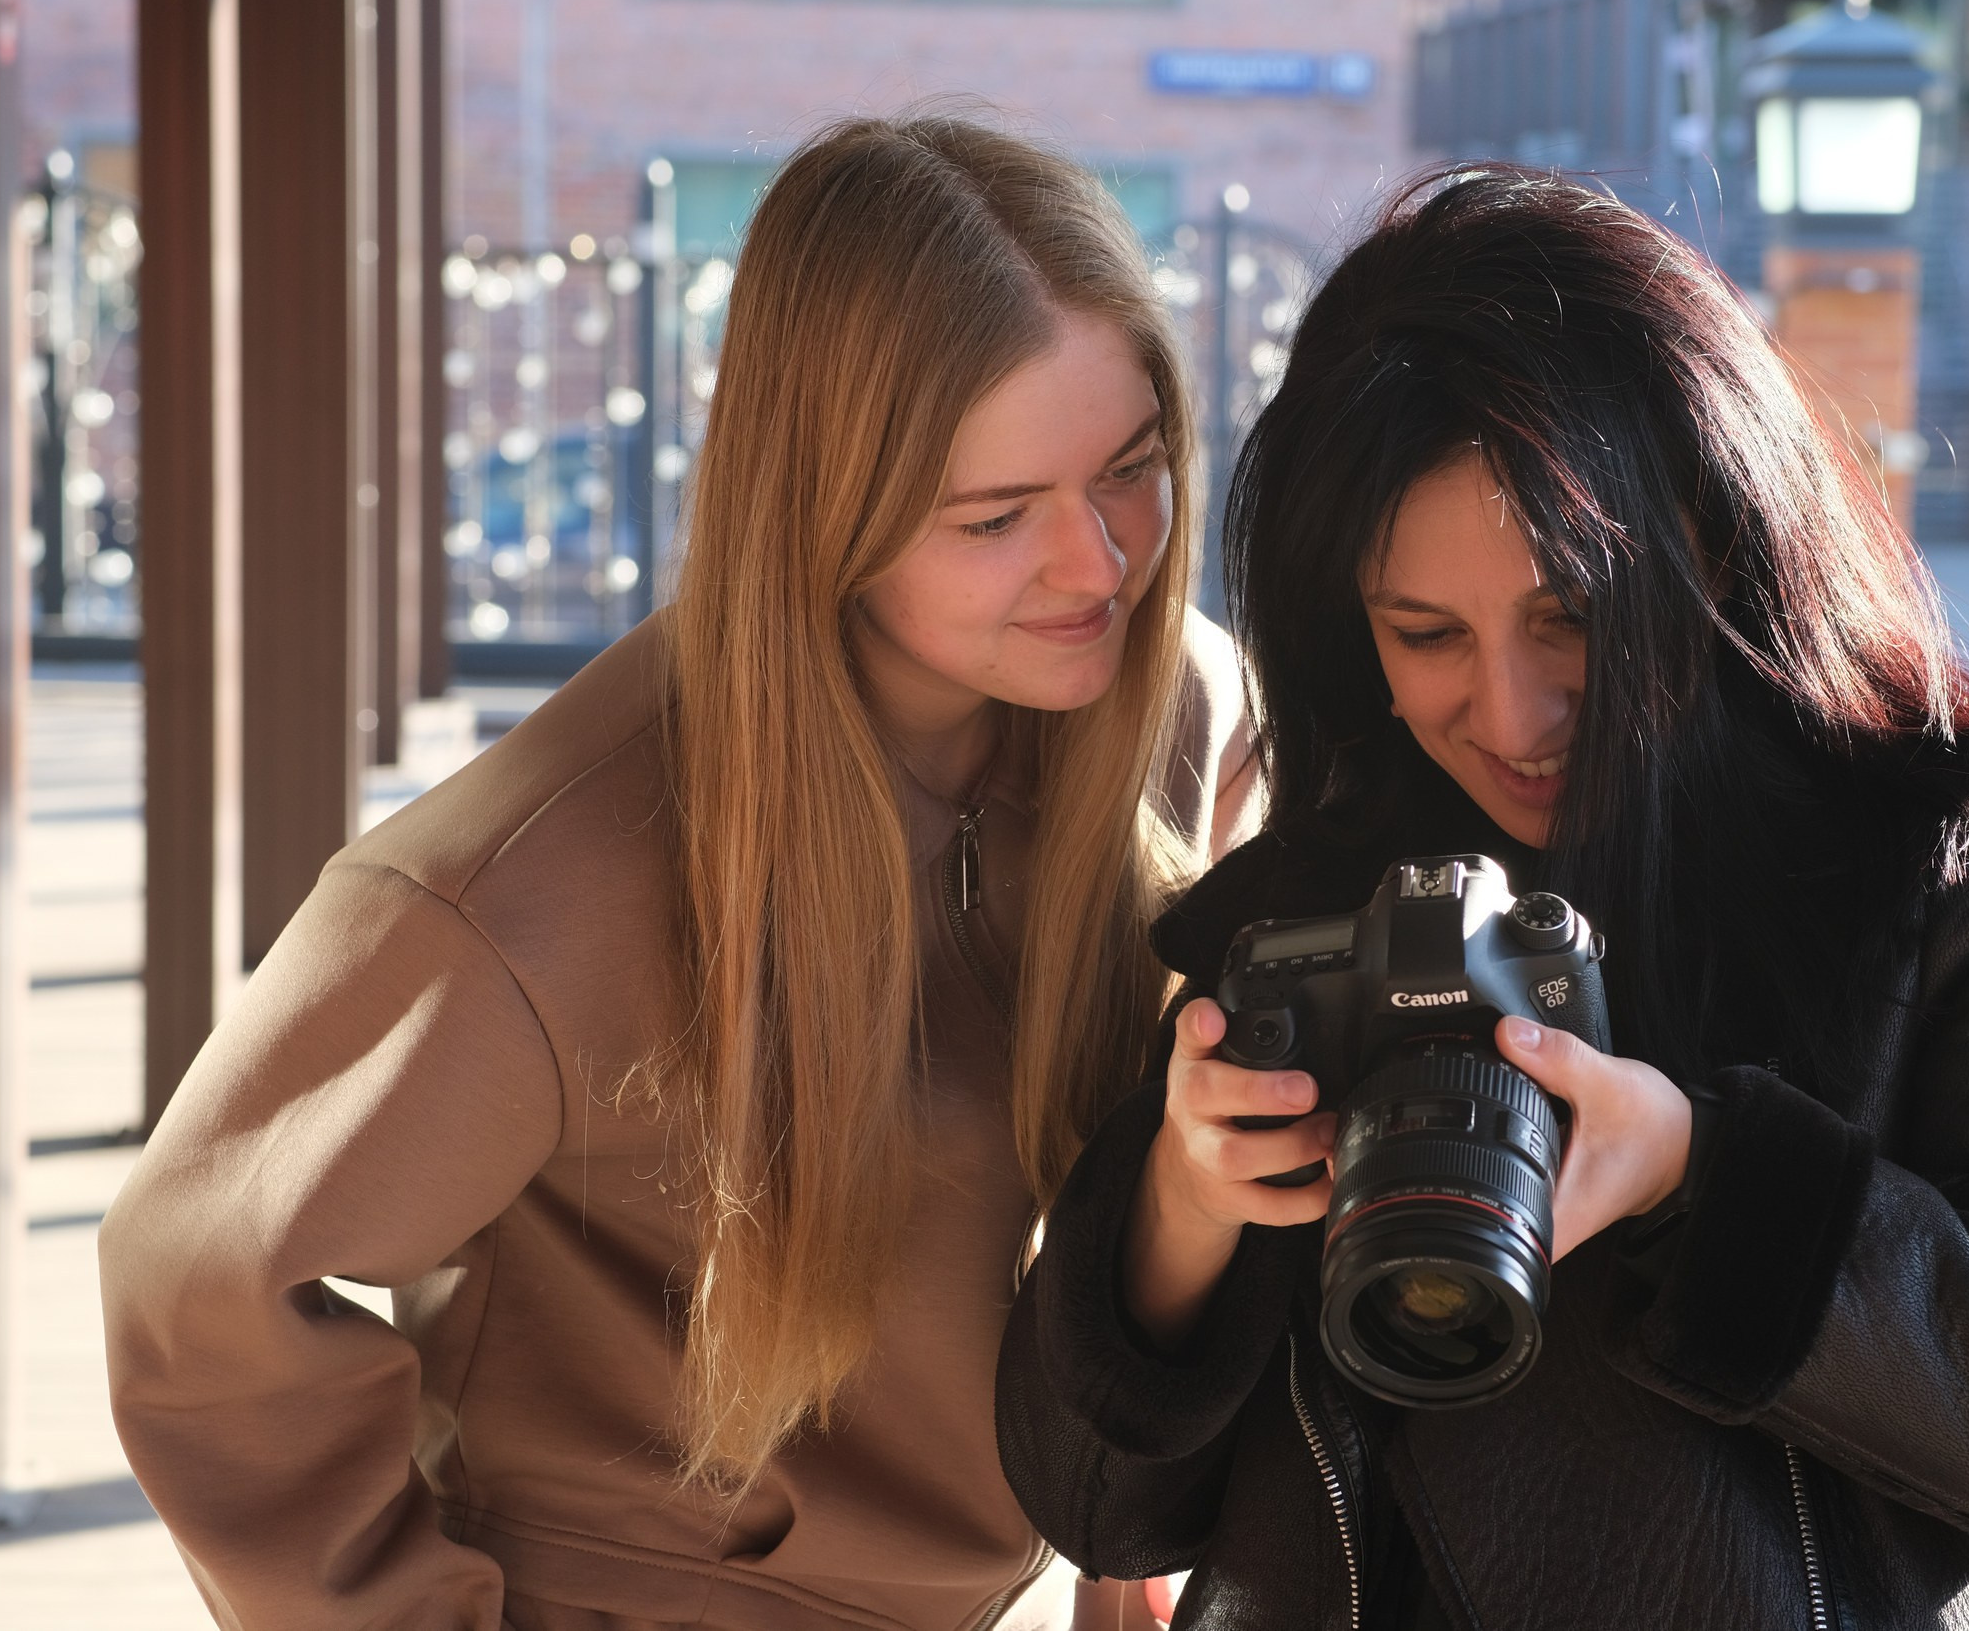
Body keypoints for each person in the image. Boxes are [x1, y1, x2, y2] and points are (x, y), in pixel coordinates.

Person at [994, 168, 1969, 1630]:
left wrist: (1702, 1179)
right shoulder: (1326, 917)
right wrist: (1180, 1210)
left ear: (1719, 540)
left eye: (1574, 617)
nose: (1511, 713)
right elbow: (1090, 1505)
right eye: (1426, 634)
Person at [100, 116, 1260, 1631]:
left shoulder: (1177, 709)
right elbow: (197, 1287)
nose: (1099, 564)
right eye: (995, 518)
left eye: (1132, 468)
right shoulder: (535, 884)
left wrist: (1125, 1555)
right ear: (822, 502)